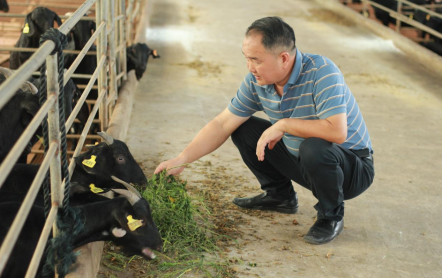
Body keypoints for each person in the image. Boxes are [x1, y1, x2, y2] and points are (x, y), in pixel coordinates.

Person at [155, 16, 375, 245]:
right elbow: (222, 124)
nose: (250, 67)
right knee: (244, 128)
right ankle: (280, 197)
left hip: (350, 168)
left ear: (283, 58)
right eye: (247, 59)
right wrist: (181, 159)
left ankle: (331, 216)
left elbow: (337, 132)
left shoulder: (322, 72)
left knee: (314, 146)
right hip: (303, 160)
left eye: (256, 60)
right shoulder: (257, 81)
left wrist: (283, 124)